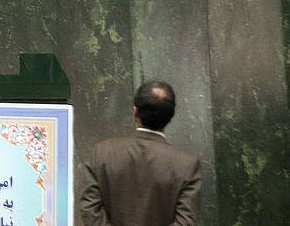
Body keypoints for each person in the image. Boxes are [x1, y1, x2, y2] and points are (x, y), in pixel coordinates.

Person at [79, 80, 202, 226]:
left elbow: (90, 211)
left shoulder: (101, 153)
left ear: (135, 111)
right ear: (171, 115)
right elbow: (185, 222)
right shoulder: (187, 165)